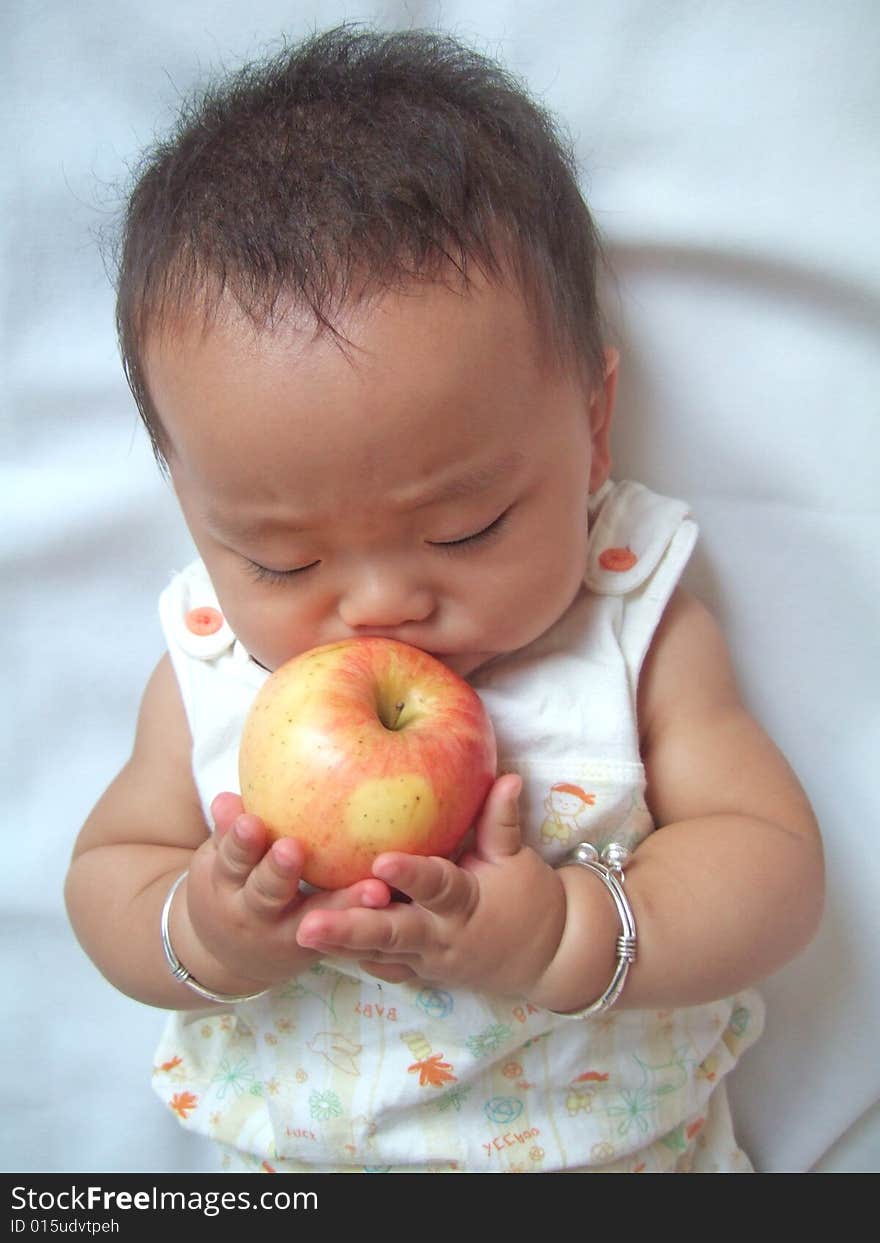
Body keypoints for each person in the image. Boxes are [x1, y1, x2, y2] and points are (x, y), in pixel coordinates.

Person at [64, 26, 823, 1173]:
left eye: (465, 528)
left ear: (591, 425)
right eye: (280, 558)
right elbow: (106, 871)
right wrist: (207, 932)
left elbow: (769, 864)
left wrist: (568, 934)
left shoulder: (626, 616)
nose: (374, 607)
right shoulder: (215, 661)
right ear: (190, 505)